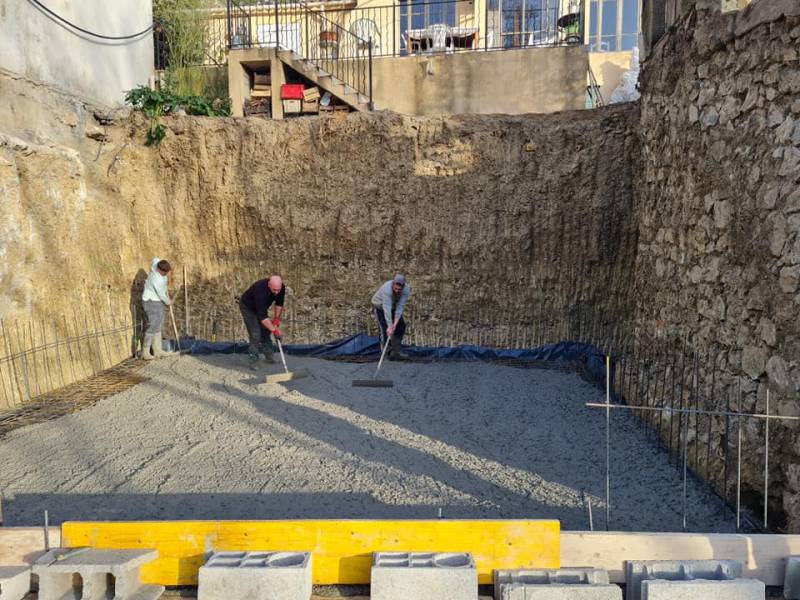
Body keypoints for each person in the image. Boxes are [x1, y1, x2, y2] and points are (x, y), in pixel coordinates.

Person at [239, 275, 285, 369]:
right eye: (274, 290)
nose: (276, 293)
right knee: (255, 333)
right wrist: (275, 331)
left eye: (278, 290)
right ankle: (253, 361)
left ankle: (269, 357)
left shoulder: (281, 288)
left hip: (261, 309)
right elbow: (263, 317)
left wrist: (276, 319)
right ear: (269, 285)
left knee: (265, 331)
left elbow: (279, 304)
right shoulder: (260, 290)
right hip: (248, 308)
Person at [371, 274, 410, 359]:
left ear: (403, 287)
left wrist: (395, 324)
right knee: (385, 329)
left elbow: (400, 308)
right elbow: (387, 309)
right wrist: (390, 327)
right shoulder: (387, 288)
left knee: (401, 326)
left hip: (393, 306)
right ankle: (386, 352)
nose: (397, 291)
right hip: (380, 306)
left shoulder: (406, 289)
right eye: (395, 288)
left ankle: (396, 351)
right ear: (393, 284)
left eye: (399, 289)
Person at [141, 258, 173, 360]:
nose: (166, 274)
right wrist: (169, 302)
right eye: (165, 273)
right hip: (150, 300)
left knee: (159, 323)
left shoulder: (156, 264)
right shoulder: (156, 279)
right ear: (159, 270)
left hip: (157, 300)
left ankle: (158, 350)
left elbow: (155, 259)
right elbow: (161, 294)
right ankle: (145, 352)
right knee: (153, 324)